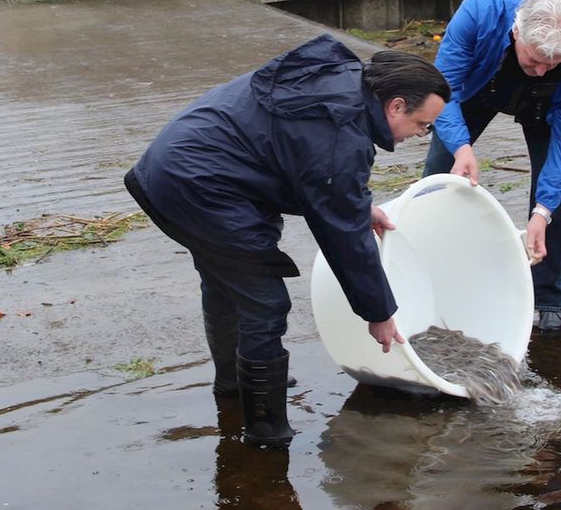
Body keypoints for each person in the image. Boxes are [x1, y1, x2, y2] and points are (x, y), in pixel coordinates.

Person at [124, 35, 449, 448]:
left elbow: (307, 164)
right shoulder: (342, 134)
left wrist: (357, 208)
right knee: (264, 302)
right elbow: (344, 238)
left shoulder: (339, 81)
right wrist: (379, 312)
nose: (420, 135)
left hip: (174, 167)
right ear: (395, 105)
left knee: (226, 284)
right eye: (422, 125)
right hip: (200, 187)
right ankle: (266, 430)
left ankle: (235, 383)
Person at [422, 0, 561, 332]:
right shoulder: (481, 8)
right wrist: (461, 147)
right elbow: (445, 88)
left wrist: (541, 212)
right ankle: (430, 272)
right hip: (480, 84)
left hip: (544, 104)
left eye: (553, 63)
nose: (541, 69)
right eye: (534, 61)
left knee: (553, 192)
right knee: (439, 172)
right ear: (517, 32)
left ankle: (549, 298)